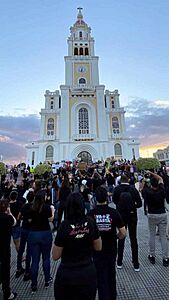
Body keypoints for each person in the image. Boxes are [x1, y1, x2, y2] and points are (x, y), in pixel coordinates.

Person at [52, 192, 102, 300]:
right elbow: (98, 247)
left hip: (67, 273)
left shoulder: (64, 226)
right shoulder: (90, 222)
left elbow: (55, 256)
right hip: (87, 272)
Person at [90, 186, 126, 300]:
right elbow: (123, 232)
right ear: (107, 197)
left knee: (100, 275)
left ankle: (103, 296)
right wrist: (116, 237)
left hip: (96, 249)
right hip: (111, 248)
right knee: (111, 272)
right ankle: (112, 296)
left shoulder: (91, 214)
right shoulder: (114, 212)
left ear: (95, 199)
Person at [113, 174, 142, 271]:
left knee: (121, 238)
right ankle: (136, 264)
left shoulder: (117, 189)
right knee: (134, 239)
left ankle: (119, 262)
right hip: (132, 216)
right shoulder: (133, 189)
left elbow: (114, 201)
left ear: (120, 181)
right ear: (128, 180)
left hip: (121, 217)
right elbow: (140, 204)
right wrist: (133, 206)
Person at [27, 190, 55, 293]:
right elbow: (51, 219)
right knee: (46, 258)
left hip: (33, 234)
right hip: (45, 234)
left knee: (34, 261)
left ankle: (34, 285)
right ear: (44, 197)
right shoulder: (47, 207)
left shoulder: (32, 208)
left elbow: (29, 221)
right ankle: (47, 280)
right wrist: (53, 211)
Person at [142, 171, 169, 266]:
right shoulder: (162, 189)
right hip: (162, 214)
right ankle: (165, 258)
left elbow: (141, 188)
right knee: (163, 236)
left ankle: (152, 256)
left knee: (152, 235)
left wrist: (144, 180)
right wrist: (151, 173)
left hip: (152, 215)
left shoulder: (147, 191)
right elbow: (160, 179)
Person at [0, 199, 17, 300]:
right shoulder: (7, 218)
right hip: (5, 248)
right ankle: (7, 293)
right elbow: (14, 222)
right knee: (5, 269)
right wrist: (10, 213)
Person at [15, 190, 34, 281]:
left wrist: (24, 218)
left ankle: (19, 268)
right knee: (29, 250)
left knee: (21, 249)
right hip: (31, 230)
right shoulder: (34, 207)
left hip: (24, 229)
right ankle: (27, 271)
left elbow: (18, 217)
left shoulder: (23, 206)